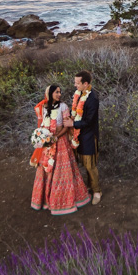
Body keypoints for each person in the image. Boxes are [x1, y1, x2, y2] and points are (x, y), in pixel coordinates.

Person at [30, 84, 91, 215]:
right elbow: (41, 124)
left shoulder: (63, 107)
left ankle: (61, 201)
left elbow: (66, 125)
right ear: (50, 93)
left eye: (60, 92)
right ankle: (45, 200)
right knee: (45, 168)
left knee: (61, 170)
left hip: (60, 141)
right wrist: (42, 137)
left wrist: (56, 137)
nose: (59, 94)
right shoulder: (43, 107)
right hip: (48, 142)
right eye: (57, 92)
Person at [70, 70, 101, 205]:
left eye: (77, 83)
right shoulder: (80, 94)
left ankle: (97, 192)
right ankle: (90, 186)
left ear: (85, 83)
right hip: (80, 135)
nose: (75, 85)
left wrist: (73, 123)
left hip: (89, 136)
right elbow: (77, 113)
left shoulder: (92, 98)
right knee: (84, 164)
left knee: (90, 165)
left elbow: (89, 121)